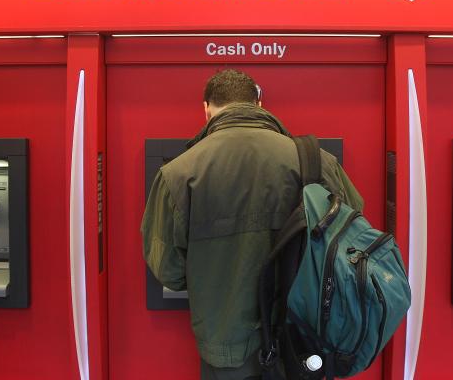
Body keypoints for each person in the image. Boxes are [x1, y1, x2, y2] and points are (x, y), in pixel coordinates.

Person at [141, 69, 364, 380]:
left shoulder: (178, 173)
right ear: (259, 105)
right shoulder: (317, 161)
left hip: (226, 347)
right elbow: (352, 240)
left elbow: (169, 271)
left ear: (206, 109)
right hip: (304, 340)